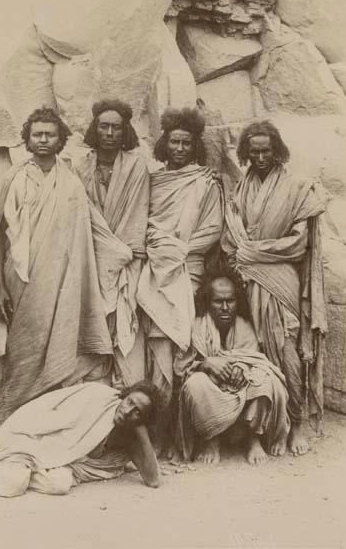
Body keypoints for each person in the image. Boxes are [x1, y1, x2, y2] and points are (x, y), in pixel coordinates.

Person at [0, 107, 113, 426]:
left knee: (60, 350)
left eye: (50, 135)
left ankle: (51, 425)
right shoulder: (14, 177)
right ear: (27, 140)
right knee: (22, 353)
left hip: (63, 282)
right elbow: (0, 237)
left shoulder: (70, 182)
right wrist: (1, 286)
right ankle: (13, 424)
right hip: (22, 280)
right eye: (37, 134)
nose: (43, 140)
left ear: (61, 140)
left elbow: (81, 236)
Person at [221, 120, 327, 456]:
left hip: (282, 281)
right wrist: (246, 253)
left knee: (288, 351)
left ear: (277, 149)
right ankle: (265, 430)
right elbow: (231, 238)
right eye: (255, 151)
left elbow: (298, 244)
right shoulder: (241, 188)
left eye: (267, 150)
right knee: (260, 355)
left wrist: (253, 251)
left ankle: (295, 425)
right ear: (246, 153)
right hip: (250, 283)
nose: (261, 156)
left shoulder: (297, 187)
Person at [136, 107, 224, 453]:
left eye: (187, 143)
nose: (181, 148)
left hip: (188, 269)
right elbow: (141, 223)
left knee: (183, 349)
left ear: (195, 146)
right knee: (155, 349)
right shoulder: (153, 180)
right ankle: (156, 434)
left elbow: (213, 229)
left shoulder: (205, 182)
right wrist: (160, 250)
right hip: (156, 269)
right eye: (175, 141)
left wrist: (177, 249)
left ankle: (182, 435)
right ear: (165, 143)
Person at [0, 381, 160, 496]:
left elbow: (153, 480)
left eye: (137, 411)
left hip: (63, 465)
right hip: (38, 442)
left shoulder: (132, 436)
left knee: (59, 484)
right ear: (122, 395)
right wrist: (17, 434)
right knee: (14, 484)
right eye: (129, 402)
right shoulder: (98, 396)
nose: (128, 411)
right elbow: (48, 413)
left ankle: (1, 469)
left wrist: (139, 426)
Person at [174, 271, 290, 466]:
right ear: (207, 302)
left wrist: (242, 368)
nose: (225, 308)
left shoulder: (245, 327)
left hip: (243, 392)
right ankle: (212, 439)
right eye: (218, 301)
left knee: (268, 380)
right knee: (194, 384)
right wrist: (205, 364)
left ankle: (252, 438)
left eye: (231, 301)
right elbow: (180, 368)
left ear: (238, 301)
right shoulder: (196, 327)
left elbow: (258, 362)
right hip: (213, 395)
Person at [72, 100, 150, 386]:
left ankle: (130, 400)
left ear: (125, 131)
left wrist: (119, 254)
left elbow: (136, 217)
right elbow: (79, 218)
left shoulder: (136, 166)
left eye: (116, 127)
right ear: (95, 128)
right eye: (104, 126)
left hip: (126, 266)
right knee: (92, 340)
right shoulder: (79, 167)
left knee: (126, 336)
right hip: (89, 264)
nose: (109, 132)